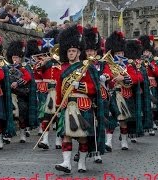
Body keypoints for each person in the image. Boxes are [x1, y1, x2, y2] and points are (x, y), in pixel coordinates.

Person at [55, 24, 105, 173]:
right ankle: (66, 163)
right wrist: (58, 106)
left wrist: (80, 85)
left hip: (83, 104)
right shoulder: (63, 69)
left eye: (73, 51)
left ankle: (82, 162)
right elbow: (59, 89)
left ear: (78, 52)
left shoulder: (87, 67)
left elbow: (94, 89)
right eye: (69, 51)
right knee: (66, 135)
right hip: (68, 104)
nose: (71, 53)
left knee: (83, 137)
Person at [36, 29, 62, 150]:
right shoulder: (45, 62)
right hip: (46, 90)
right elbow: (37, 72)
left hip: (57, 90)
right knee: (46, 115)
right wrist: (44, 62)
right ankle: (45, 140)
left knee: (58, 116)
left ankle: (58, 140)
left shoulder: (63, 63)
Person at [139, 35, 158, 136]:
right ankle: (145, 124)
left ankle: (152, 123)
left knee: (152, 106)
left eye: (147, 52)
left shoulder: (154, 62)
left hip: (152, 86)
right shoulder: (139, 62)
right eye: (144, 52)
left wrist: (150, 65)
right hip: (143, 85)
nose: (145, 54)